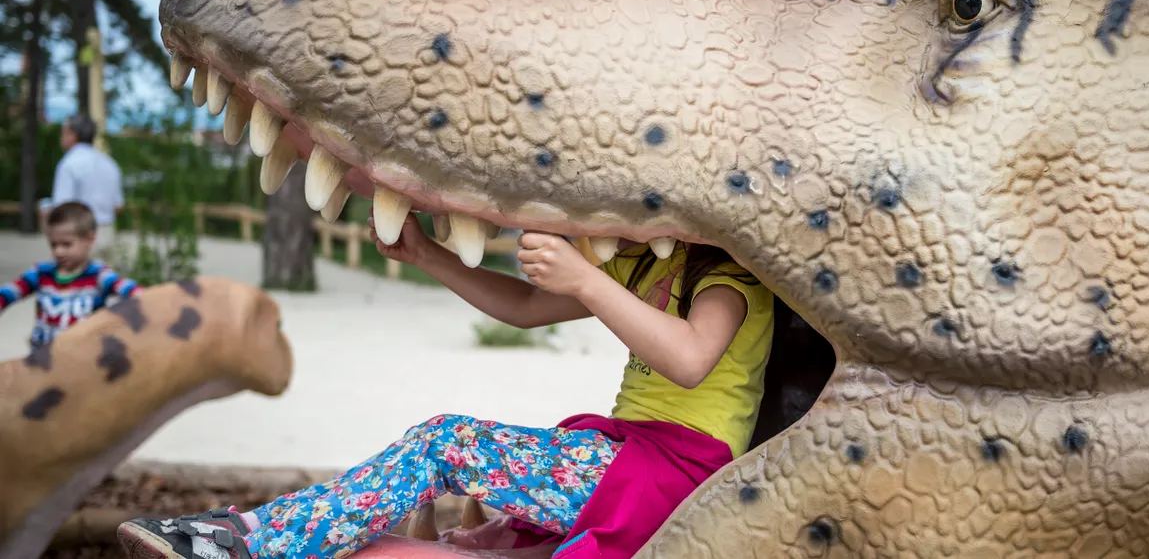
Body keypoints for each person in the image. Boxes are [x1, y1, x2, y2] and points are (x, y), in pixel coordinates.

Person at [117, 216, 776, 559]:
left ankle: (251, 543)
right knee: (440, 449)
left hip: (667, 474)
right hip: (619, 458)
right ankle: (266, 538)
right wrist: (428, 255)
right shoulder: (636, 263)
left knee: (442, 444)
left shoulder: (730, 277)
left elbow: (691, 359)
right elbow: (523, 307)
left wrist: (585, 280)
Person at [1, 201, 142, 351]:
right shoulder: (41, 273)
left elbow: (132, 291)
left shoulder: (99, 275)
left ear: (90, 239)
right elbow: (11, 291)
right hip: (43, 361)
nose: (58, 252)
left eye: (66, 244)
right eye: (53, 245)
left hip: (83, 360)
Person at [47, 114, 125, 262]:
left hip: (79, 236)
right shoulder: (109, 163)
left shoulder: (69, 164)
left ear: (72, 135)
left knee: (79, 283)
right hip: (107, 232)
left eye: (63, 133)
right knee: (106, 281)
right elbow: (118, 206)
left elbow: (63, 208)